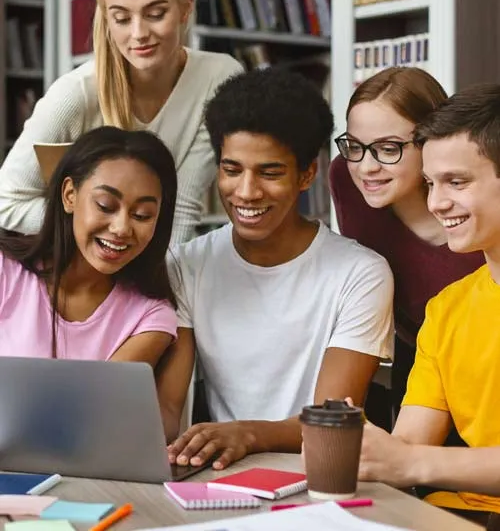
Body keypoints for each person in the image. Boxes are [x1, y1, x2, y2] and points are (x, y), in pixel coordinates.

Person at [157, 67, 394, 467]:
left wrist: (248, 434)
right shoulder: (188, 264)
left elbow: (331, 419)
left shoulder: (360, 274)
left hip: (317, 473)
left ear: (307, 174)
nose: (246, 192)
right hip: (221, 472)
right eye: (232, 170)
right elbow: (167, 408)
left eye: (270, 173)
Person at [0, 0, 243, 243]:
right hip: (77, 265)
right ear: (106, 18)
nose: (139, 33)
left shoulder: (220, 78)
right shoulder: (74, 95)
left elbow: (180, 208)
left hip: (151, 262)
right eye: (122, 18)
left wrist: (157, 287)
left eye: (156, 14)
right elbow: (6, 202)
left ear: (186, 7)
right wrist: (96, 225)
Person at [355, 84, 500, 522]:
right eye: (430, 183)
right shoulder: (447, 309)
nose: (436, 203)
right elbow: (408, 446)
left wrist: (411, 464)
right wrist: (361, 450)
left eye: (457, 182)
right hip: (454, 515)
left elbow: (412, 461)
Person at [329, 67, 483, 417]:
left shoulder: (477, 212)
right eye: (355, 146)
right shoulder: (345, 176)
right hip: (416, 354)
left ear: (432, 141)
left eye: (388, 148)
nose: (367, 167)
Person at [0, 126, 178, 363]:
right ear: (69, 195)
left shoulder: (150, 316)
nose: (122, 228)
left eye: (142, 215)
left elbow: (99, 400)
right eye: (105, 206)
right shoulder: (5, 271)